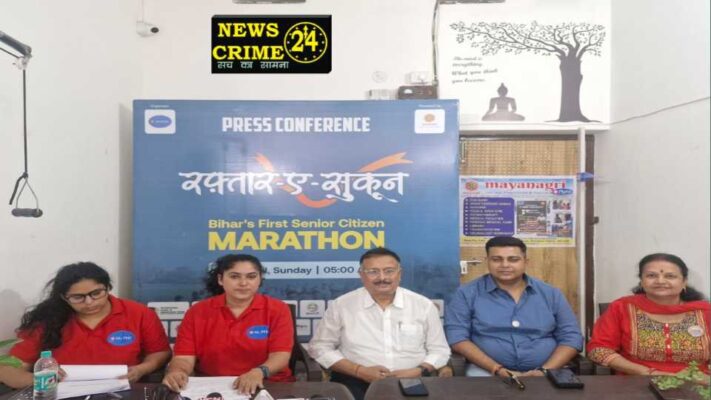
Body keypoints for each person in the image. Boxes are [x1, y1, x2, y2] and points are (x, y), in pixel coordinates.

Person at [308, 247, 450, 400]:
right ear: (361, 275)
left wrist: (419, 370)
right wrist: (358, 370)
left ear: (399, 274)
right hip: (355, 379)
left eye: (389, 271)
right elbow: (320, 347)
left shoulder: (423, 305)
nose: (382, 277)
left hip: (414, 379)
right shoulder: (341, 305)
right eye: (373, 272)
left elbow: (439, 350)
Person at [0, 262, 171, 388]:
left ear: (108, 288)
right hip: (62, 392)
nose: (89, 302)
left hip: (124, 390)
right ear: (64, 297)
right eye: (78, 297)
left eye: (96, 293)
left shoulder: (138, 313)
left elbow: (160, 353)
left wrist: (141, 369)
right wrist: (40, 380)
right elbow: (8, 368)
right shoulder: (47, 319)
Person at [444, 236, 583, 377]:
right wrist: (496, 369)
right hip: (486, 371)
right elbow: (457, 337)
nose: (505, 265)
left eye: (513, 259)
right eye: (496, 259)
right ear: (487, 261)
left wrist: (544, 371)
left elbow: (571, 337)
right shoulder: (467, 293)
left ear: (525, 262)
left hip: (548, 371)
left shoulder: (551, 294)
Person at [162, 254, 294, 395]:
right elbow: (183, 357)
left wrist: (259, 372)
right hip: (212, 387)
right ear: (220, 279)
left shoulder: (278, 309)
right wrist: (177, 372)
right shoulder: (197, 312)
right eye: (234, 277)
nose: (243, 283)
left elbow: (280, 355)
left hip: (268, 384)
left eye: (251, 277)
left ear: (260, 279)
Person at [587, 253, 710, 375]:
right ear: (641, 281)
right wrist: (645, 372)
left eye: (670, 276)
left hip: (697, 382)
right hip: (636, 381)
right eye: (651, 275)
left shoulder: (705, 311)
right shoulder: (622, 308)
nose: (660, 281)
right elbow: (598, 350)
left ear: (684, 282)